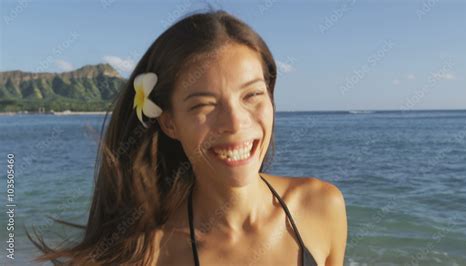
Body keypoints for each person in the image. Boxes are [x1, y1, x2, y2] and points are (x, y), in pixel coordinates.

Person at [28, 9, 347, 265]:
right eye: (204, 105)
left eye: (252, 95)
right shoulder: (151, 253)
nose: (235, 122)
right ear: (169, 123)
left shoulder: (321, 206)